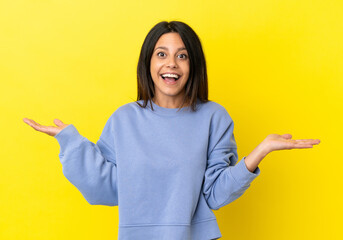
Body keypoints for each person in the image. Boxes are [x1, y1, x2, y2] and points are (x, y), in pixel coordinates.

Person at [23, 21, 320, 240]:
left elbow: (215, 194)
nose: (172, 64)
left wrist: (260, 151)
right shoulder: (124, 119)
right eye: (161, 54)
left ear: (193, 65)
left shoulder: (213, 117)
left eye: (182, 55)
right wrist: (70, 142)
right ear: (148, 63)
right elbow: (107, 188)